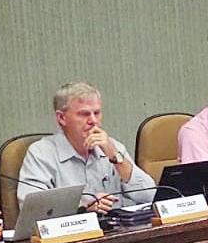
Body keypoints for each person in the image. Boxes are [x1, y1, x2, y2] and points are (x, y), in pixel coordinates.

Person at [18, 81, 156, 212]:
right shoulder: (41, 153)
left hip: (115, 226)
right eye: (84, 114)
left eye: (97, 113)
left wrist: (116, 157)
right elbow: (31, 208)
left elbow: (151, 196)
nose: (93, 121)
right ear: (61, 118)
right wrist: (82, 206)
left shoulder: (112, 147)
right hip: (73, 229)